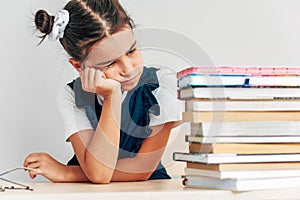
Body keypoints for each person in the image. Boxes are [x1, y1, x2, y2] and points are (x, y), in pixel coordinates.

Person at [23, 0, 182, 183]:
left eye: (131, 51)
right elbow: (99, 173)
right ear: (79, 66)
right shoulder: (72, 96)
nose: (128, 68)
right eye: (110, 63)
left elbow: (140, 169)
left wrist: (65, 173)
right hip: (87, 192)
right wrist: (111, 97)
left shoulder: (161, 86)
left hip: (145, 190)